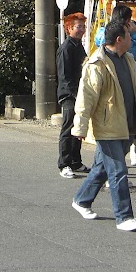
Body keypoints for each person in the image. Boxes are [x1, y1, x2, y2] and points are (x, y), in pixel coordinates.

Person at [71, 16, 136, 232]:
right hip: (108, 126)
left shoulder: (129, 60)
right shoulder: (97, 64)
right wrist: (80, 127)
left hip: (128, 123)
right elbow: (86, 98)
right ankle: (124, 217)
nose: (133, 37)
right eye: (128, 34)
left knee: (102, 168)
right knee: (118, 171)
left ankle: (82, 200)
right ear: (118, 39)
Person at [56, 12, 88, 178]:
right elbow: (64, 77)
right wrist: (74, 95)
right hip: (69, 94)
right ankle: (64, 163)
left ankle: (76, 161)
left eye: (83, 26)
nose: (82, 29)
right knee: (68, 128)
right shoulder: (65, 48)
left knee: (78, 128)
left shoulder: (78, 46)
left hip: (80, 92)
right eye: (78, 26)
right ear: (69, 28)